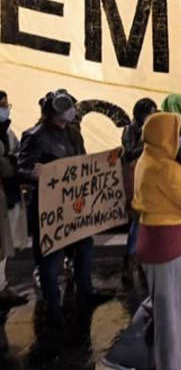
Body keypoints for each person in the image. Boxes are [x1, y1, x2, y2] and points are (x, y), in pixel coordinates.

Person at [104, 112, 181, 370]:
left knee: (165, 304)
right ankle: (171, 366)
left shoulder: (151, 158)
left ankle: (125, 355)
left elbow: (176, 187)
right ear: (164, 136)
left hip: (160, 244)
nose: (178, 138)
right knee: (169, 314)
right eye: (175, 133)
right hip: (162, 247)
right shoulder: (163, 166)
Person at [17, 89, 101, 325]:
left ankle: (86, 292)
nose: (74, 110)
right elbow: (22, 170)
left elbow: (82, 161)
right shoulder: (35, 136)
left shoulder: (74, 134)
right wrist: (38, 175)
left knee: (85, 246)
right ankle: (52, 306)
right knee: (50, 257)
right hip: (49, 208)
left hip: (74, 205)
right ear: (58, 109)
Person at [120, 98, 158, 288]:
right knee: (136, 223)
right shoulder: (130, 129)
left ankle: (142, 261)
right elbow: (128, 153)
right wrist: (149, 144)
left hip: (147, 181)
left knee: (145, 224)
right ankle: (129, 263)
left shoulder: (150, 127)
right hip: (134, 181)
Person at [0, 91, 27, 307]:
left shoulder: (8, 133)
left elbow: (19, 152)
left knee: (5, 243)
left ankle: (2, 285)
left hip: (10, 192)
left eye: (7, 105)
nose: (5, 109)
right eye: (2, 105)